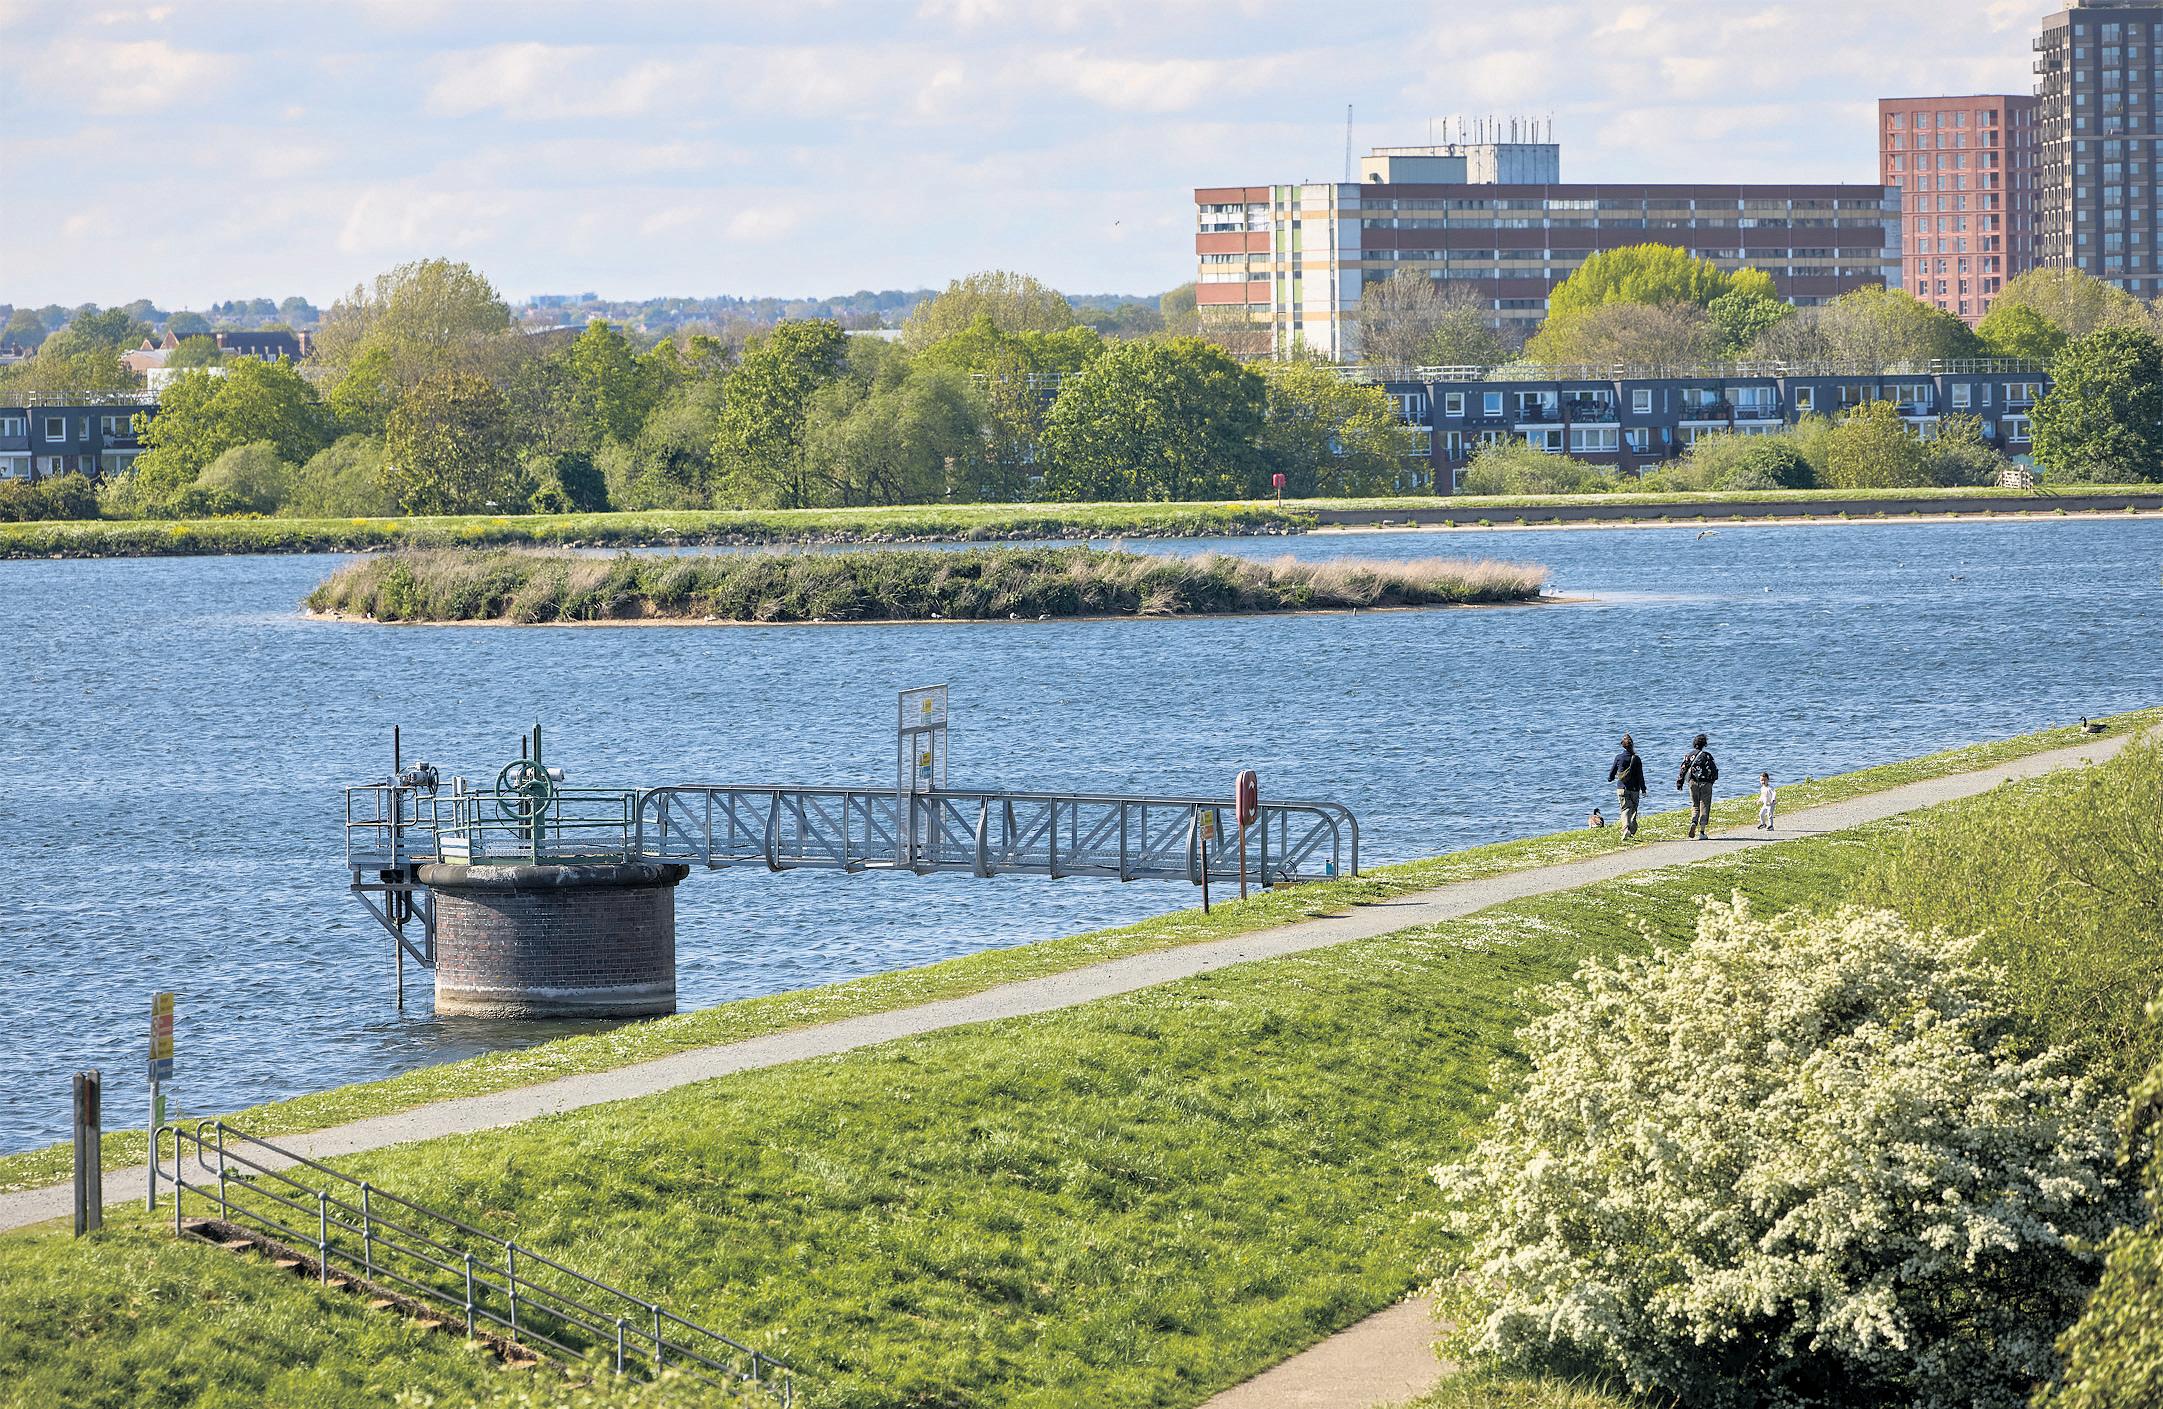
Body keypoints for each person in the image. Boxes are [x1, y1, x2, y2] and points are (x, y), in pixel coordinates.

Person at [1676, 733, 1719, 839]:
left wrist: (1679, 783)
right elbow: (1714, 770)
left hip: (1693, 782)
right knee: (1704, 805)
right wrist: (1713, 780)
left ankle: (1694, 821)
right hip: (1706, 783)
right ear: (1704, 744)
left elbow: (1683, 769)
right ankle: (1702, 831)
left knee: (1695, 805)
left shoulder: (1689, 755)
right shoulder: (1707, 756)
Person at [1607, 734, 1647, 838]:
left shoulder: (1619, 758)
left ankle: (1626, 828)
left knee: (1625, 809)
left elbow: (1612, 773)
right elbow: (1640, 775)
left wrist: (1610, 779)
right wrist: (1643, 789)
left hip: (1621, 788)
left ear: (1622, 745)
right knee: (1633, 809)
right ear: (1632, 745)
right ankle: (1631, 830)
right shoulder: (1636, 759)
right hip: (1634, 789)